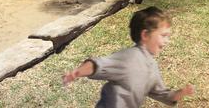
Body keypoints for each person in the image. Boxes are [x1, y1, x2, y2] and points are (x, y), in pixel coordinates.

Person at [62, 7, 194, 108]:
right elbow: (99, 64)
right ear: (145, 35)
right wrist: (76, 73)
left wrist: (181, 93)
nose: (167, 41)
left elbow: (162, 94)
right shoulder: (129, 58)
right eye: (163, 35)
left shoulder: (152, 66)